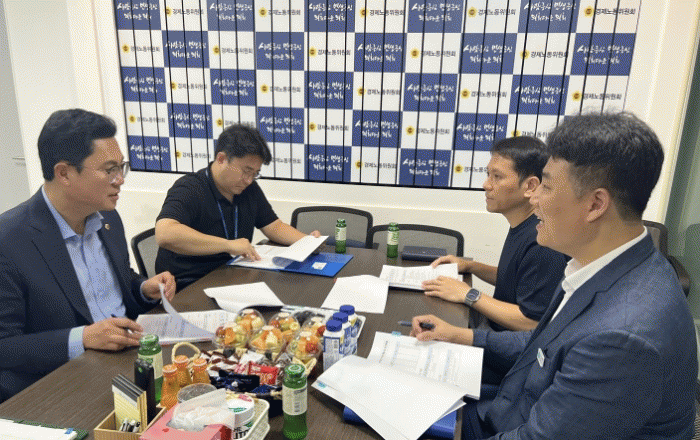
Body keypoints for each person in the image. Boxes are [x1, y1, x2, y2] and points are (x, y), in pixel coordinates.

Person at [412, 112, 697, 439]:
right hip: (513, 406)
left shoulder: (622, 338)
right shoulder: (598, 266)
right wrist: (459, 335)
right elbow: (543, 343)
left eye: (545, 186)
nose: (533, 198)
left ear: (595, 205)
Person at [0, 109, 176, 402]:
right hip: (64, 385)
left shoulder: (107, 219)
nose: (119, 180)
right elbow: (5, 346)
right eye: (109, 170)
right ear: (64, 173)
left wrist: (143, 289)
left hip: (128, 360)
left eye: (121, 167)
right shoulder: (10, 240)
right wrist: (82, 338)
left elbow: (119, 284)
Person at [423, 136, 568, 384]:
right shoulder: (523, 226)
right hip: (494, 337)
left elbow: (531, 321)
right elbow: (515, 278)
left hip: (510, 362)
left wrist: (469, 294)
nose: (486, 185)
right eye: (488, 174)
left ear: (530, 186)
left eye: (497, 177)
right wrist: (471, 266)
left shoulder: (542, 242)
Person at [155, 123, 319, 289]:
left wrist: (307, 241)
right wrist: (228, 245)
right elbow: (165, 233)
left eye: (255, 174)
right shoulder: (189, 188)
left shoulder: (248, 189)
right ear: (221, 159)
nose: (248, 180)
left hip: (232, 275)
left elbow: (274, 226)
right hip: (189, 284)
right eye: (246, 171)